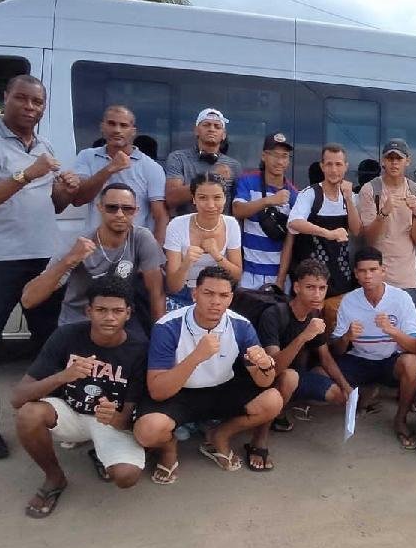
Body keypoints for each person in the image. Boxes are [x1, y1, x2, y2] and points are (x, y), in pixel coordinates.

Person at [0, 74, 80, 459]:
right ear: (5, 97)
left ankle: (53, 416)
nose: (30, 108)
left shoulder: (42, 144)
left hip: (42, 259)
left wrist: (63, 190)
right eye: (22, 99)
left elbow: (52, 205)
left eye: (37, 103)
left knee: (50, 342)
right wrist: (28, 173)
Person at [135, 266, 292, 477]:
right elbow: (157, 391)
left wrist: (264, 366)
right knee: (147, 431)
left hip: (222, 387)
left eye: (223, 295)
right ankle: (169, 448)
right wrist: (196, 357)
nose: (215, 301)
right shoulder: (167, 326)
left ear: (230, 298)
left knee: (273, 400)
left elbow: (264, 382)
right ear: (195, 294)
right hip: (180, 392)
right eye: (208, 293)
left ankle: (219, 435)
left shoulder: (241, 326)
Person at [11, 276, 147, 518]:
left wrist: (115, 418)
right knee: (28, 414)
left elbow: (127, 418)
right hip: (71, 412)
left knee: (126, 476)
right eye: (101, 310)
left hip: (109, 421)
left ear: (128, 313)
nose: (109, 317)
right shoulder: (66, 336)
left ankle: (99, 451)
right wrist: (62, 376)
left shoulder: (139, 348)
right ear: (88, 311)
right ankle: (55, 477)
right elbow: (18, 398)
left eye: (117, 311)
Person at [21, 183, 166, 335]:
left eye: (127, 209)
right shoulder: (78, 243)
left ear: (136, 211)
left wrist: (160, 340)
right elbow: (29, 300)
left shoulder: (141, 238)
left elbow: (156, 293)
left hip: (121, 323)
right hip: (79, 322)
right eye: (112, 207)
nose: (119, 214)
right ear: (100, 208)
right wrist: (69, 260)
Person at [330, 247, 416, 450]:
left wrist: (393, 331)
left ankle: (400, 419)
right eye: (362, 271)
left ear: (383, 271)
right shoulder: (349, 301)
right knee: (320, 379)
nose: (368, 276)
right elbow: (336, 350)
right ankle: (366, 391)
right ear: (355, 274)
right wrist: (347, 337)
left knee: (412, 364)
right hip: (360, 359)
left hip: (391, 361)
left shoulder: (401, 298)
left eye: (373, 269)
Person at [258, 259, 354, 429]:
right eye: (310, 287)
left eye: (322, 288)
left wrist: (347, 388)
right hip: (268, 380)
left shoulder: (314, 314)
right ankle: (271, 420)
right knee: (289, 377)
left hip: (299, 374)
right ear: (296, 288)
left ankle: (292, 402)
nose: (317, 294)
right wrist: (303, 336)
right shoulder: (274, 314)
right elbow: (273, 370)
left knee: (338, 394)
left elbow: (325, 356)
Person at [69, 105, 169, 244]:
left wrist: (156, 256)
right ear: (102, 127)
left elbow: (160, 216)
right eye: (111, 124)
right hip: (94, 246)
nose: (117, 130)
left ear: (133, 131)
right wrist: (110, 168)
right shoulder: (87, 156)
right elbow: (78, 200)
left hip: (133, 249)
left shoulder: (151, 167)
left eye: (123, 125)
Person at [287, 143, 361, 330]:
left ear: (346, 166)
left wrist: (348, 199)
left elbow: (356, 230)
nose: (334, 170)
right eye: (329, 164)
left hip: (341, 278)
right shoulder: (311, 193)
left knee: (336, 328)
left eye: (338, 164)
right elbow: (294, 222)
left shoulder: (351, 196)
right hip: (312, 278)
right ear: (322, 167)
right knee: (309, 326)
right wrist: (327, 233)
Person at [358, 138, 416, 308]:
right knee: (377, 331)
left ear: (407, 161)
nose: (394, 163)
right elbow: (368, 239)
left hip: (408, 279)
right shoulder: (370, 189)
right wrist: (383, 213)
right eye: (390, 158)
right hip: (377, 280)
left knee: (410, 333)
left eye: (399, 159)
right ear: (383, 161)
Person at [163, 173, 243, 310]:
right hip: (183, 293)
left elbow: (236, 276)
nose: (211, 205)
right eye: (203, 198)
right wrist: (187, 262)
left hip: (216, 293)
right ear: (193, 199)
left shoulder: (231, 224)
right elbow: (173, 286)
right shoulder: (176, 225)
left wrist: (217, 255)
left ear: (225, 199)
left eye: (217, 197)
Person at [231, 132, 299, 290]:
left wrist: (281, 280)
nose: (280, 161)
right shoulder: (247, 181)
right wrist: (269, 200)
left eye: (285, 156)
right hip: (246, 272)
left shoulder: (294, 193)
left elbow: (290, 240)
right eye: (275, 155)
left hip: (277, 276)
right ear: (263, 156)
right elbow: (238, 210)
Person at [164, 108, 242, 214]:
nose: (212, 129)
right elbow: (171, 198)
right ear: (196, 130)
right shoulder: (178, 158)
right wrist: (211, 176)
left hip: (220, 228)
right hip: (185, 226)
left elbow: (237, 207)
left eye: (217, 126)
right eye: (206, 125)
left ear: (223, 135)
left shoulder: (234, 166)